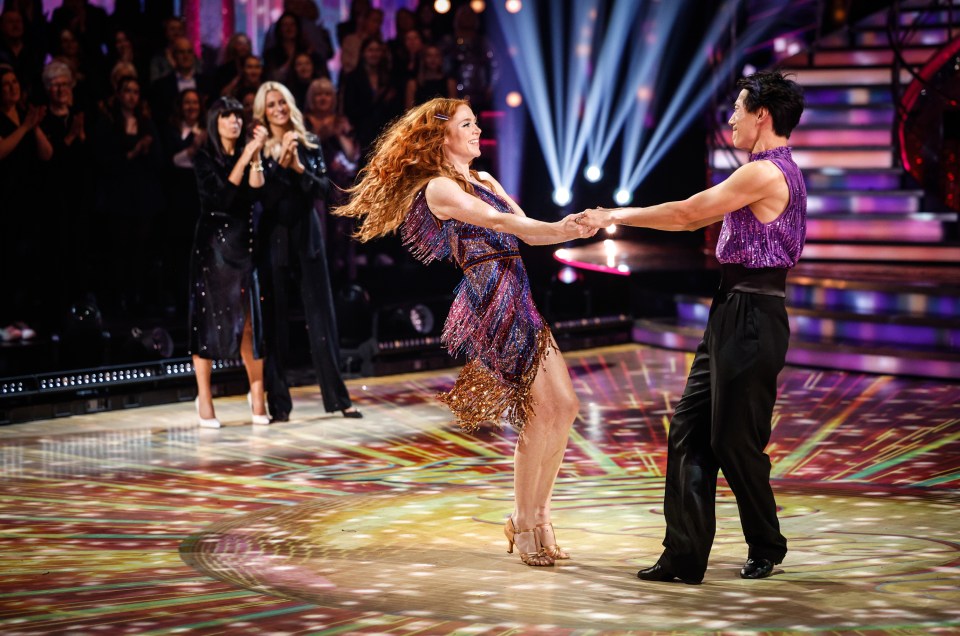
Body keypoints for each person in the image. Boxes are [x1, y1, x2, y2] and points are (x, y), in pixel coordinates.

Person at [335, 98, 595, 566]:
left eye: (476, 122)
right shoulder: (439, 188)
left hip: (520, 294)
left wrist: (569, 229)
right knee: (538, 413)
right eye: (467, 124)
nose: (477, 130)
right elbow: (497, 221)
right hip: (492, 300)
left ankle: (536, 514)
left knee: (566, 406)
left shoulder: (486, 180)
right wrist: (557, 226)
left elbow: (528, 232)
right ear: (442, 136)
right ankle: (527, 522)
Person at [576, 70, 806, 583]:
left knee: (735, 441)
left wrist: (614, 214)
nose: (731, 119)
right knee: (687, 431)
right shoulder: (765, 170)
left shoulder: (766, 173)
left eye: (739, 110)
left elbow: (687, 214)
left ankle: (767, 542)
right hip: (732, 310)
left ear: (762, 116)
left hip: (754, 314)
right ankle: (683, 556)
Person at [252, 81, 361, 422]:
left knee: (321, 315)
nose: (279, 109)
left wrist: (297, 164)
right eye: (271, 105)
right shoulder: (260, 148)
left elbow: (321, 189)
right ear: (263, 112)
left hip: (307, 235)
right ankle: (279, 405)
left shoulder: (309, 141)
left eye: (282, 102)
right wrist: (280, 162)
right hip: (275, 239)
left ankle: (339, 398)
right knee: (275, 322)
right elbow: (264, 198)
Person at [188, 96, 269, 428]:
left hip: (244, 245)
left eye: (238, 116)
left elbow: (255, 193)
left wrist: (255, 156)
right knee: (208, 322)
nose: (234, 122)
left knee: (250, 323)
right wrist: (248, 154)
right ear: (215, 122)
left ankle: (258, 396)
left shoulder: (247, 153)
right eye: (227, 117)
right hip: (213, 249)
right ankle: (204, 399)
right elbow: (220, 198)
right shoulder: (203, 158)